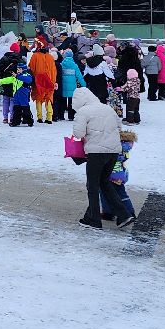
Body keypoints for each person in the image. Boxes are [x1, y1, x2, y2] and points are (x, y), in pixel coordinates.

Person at [70, 85, 124, 229]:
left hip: (96, 153)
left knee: (92, 186)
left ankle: (94, 220)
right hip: (113, 151)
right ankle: (124, 214)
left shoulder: (83, 112)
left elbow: (78, 134)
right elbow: (119, 127)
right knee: (104, 183)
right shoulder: (107, 108)